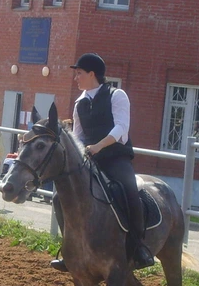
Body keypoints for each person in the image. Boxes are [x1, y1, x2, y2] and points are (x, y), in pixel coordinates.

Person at [50, 52, 153, 271]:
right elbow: (77, 136)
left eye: (79, 74)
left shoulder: (117, 95)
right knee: (60, 198)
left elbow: (121, 128)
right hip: (91, 159)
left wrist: (98, 146)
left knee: (128, 190)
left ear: (92, 74)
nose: (76, 78)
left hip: (116, 157)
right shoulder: (80, 103)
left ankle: (138, 247)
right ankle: (71, 248)